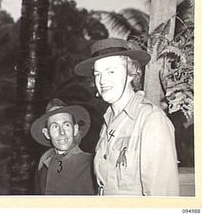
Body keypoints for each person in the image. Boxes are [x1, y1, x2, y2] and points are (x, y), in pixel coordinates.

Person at [74, 38, 180, 196]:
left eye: (111, 71)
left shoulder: (151, 120)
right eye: (97, 74)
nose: (102, 81)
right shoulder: (108, 121)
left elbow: (162, 197)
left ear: (131, 73)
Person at [30, 98, 96, 195]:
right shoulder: (43, 165)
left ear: (75, 129)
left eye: (66, 125)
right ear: (46, 133)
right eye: (55, 127)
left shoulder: (91, 165)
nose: (62, 132)